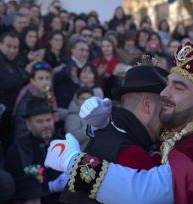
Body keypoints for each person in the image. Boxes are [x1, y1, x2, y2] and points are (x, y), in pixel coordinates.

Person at [45, 41, 193, 203]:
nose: (165, 93)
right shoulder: (190, 128)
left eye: (178, 87)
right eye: (168, 85)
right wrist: (102, 126)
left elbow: (144, 192)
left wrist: (73, 162)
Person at [59, 60, 169, 204]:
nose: (168, 118)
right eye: (165, 108)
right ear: (147, 106)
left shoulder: (106, 132)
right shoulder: (132, 155)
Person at [6, 98, 68, 204]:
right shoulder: (19, 148)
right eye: (39, 121)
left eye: (48, 120)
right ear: (28, 124)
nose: (45, 125)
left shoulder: (63, 143)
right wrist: (49, 188)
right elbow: (15, 182)